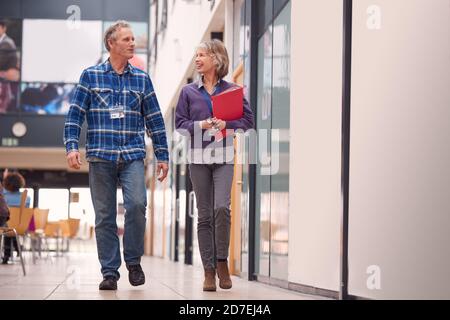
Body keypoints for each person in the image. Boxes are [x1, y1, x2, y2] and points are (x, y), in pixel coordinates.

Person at [64, 20, 169, 291]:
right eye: (127, 39)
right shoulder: (91, 75)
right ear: (112, 44)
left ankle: (133, 261)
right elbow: (75, 115)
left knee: (136, 205)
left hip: (132, 154)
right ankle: (110, 271)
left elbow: (155, 120)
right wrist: (72, 146)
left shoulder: (142, 79)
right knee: (104, 216)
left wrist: (163, 155)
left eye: (133, 39)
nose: (133, 43)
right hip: (101, 156)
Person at [175, 39, 254, 291]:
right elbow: (179, 124)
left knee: (222, 208)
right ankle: (209, 271)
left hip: (224, 157)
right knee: (204, 215)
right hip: (198, 159)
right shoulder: (188, 92)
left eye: (202, 55)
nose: (197, 59)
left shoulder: (232, 90)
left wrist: (227, 125)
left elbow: (248, 121)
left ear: (216, 59)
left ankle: (222, 262)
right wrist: (202, 125)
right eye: (196, 55)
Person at [2, 171, 31, 264]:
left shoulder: (4, 196)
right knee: (13, 229)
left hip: (6, 226)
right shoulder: (26, 197)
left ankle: (6, 255)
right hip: (21, 227)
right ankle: (18, 249)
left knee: (6, 227)